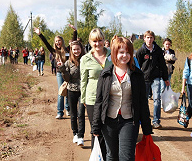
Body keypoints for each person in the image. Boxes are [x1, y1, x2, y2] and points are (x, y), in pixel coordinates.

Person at [92, 36, 153, 161]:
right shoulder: (105, 74)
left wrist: (147, 127)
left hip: (129, 121)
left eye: (127, 52)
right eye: (121, 52)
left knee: (126, 157)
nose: (125, 55)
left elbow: (142, 102)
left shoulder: (137, 74)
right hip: (108, 121)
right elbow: (99, 101)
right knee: (111, 156)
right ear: (114, 53)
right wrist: (96, 126)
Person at [80, 28, 112, 159]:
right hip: (93, 99)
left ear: (104, 40)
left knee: (108, 130)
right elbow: (83, 80)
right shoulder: (85, 59)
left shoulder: (112, 54)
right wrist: (83, 100)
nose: (97, 43)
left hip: (111, 97)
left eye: (100, 40)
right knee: (96, 130)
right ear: (90, 42)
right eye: (94, 41)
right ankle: (96, 157)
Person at [34, 24, 77, 119]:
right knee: (61, 91)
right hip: (59, 73)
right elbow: (45, 43)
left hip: (68, 73)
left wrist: (75, 31)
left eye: (59, 40)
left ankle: (68, 109)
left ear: (62, 41)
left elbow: (74, 42)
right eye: (56, 41)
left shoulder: (67, 50)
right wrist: (40, 34)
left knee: (69, 91)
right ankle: (60, 112)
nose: (58, 42)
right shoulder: (53, 51)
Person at [135, 30, 169, 129]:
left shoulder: (158, 50)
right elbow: (137, 66)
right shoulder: (141, 51)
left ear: (153, 39)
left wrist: (165, 78)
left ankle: (156, 121)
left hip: (156, 78)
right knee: (144, 100)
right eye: (147, 37)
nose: (149, 40)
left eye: (151, 38)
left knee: (157, 99)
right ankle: (145, 120)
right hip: (144, 78)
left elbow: (163, 65)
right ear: (144, 38)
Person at [58, 41, 86, 146]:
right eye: (74, 49)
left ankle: (81, 136)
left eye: (78, 49)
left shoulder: (86, 60)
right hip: (72, 90)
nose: (76, 51)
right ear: (71, 50)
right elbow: (67, 79)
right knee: (73, 114)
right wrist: (62, 69)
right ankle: (75, 133)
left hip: (83, 91)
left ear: (81, 49)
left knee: (81, 113)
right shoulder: (68, 62)